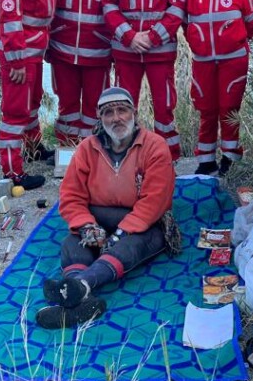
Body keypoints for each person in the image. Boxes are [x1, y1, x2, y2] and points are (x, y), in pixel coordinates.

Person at [36, 87, 178, 329]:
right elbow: (71, 195)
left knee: (133, 244)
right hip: (98, 215)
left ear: (134, 112)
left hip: (142, 222)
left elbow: (155, 200)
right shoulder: (86, 148)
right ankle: (80, 297)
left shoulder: (155, 146)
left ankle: (79, 286)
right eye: (108, 112)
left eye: (122, 110)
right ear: (100, 119)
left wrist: (120, 234)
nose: (116, 118)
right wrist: (86, 225)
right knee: (73, 241)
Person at [103, 0, 187, 161]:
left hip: (160, 51)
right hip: (126, 52)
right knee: (123, 108)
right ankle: (125, 156)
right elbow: (107, 4)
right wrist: (129, 37)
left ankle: (167, 157)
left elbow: (177, 6)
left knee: (164, 107)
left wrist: (151, 38)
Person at [182, 0, 253, 176]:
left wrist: (232, 42)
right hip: (202, 61)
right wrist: (198, 41)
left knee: (229, 107)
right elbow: (184, 23)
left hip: (233, 61)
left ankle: (230, 157)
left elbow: (251, 24)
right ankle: (205, 160)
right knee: (206, 108)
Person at [0, 0, 55, 190]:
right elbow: (10, 19)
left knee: (32, 103)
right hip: (18, 57)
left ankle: (33, 149)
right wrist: (16, 60)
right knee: (15, 111)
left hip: (34, 54)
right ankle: (12, 172)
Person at [46, 0, 113, 146]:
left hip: (98, 53)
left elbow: (118, 10)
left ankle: (92, 154)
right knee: (67, 107)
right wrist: (45, 46)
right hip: (62, 53)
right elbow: (43, 11)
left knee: (96, 107)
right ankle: (66, 155)